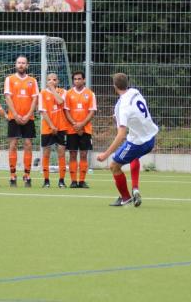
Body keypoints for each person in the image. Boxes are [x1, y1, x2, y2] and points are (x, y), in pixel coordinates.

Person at [97, 73, 158, 207]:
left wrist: (105, 154)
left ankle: (125, 198)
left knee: (114, 166)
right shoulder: (135, 92)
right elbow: (133, 110)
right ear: (127, 83)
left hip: (139, 143)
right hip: (151, 138)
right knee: (132, 155)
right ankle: (135, 188)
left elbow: (121, 135)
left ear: (114, 86)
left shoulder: (122, 107)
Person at [4, 55, 39, 187]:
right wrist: (16, 115)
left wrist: (29, 114)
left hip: (28, 118)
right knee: (13, 144)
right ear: (15, 65)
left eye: (23, 63)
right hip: (14, 117)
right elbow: (8, 98)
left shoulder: (33, 81)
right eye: (19, 63)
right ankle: (12, 175)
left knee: (28, 144)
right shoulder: (9, 79)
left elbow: (35, 99)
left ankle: (27, 175)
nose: (21, 65)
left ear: (27, 65)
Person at [64, 71, 97, 188]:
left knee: (83, 154)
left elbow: (92, 111)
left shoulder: (90, 94)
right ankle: (73, 181)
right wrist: (75, 124)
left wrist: (82, 124)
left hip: (85, 129)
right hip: (72, 129)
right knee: (72, 154)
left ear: (84, 80)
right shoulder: (68, 94)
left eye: (79, 79)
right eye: (75, 79)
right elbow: (66, 111)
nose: (77, 81)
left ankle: (82, 181)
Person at [38, 73, 68, 188]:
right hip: (47, 128)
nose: (52, 81)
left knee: (61, 152)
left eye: (54, 79)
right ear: (46, 81)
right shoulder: (42, 93)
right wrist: (51, 126)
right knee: (46, 153)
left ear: (58, 81)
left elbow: (60, 101)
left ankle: (61, 181)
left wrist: (52, 89)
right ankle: (46, 181)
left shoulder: (63, 92)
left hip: (61, 127)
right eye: (49, 80)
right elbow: (43, 111)